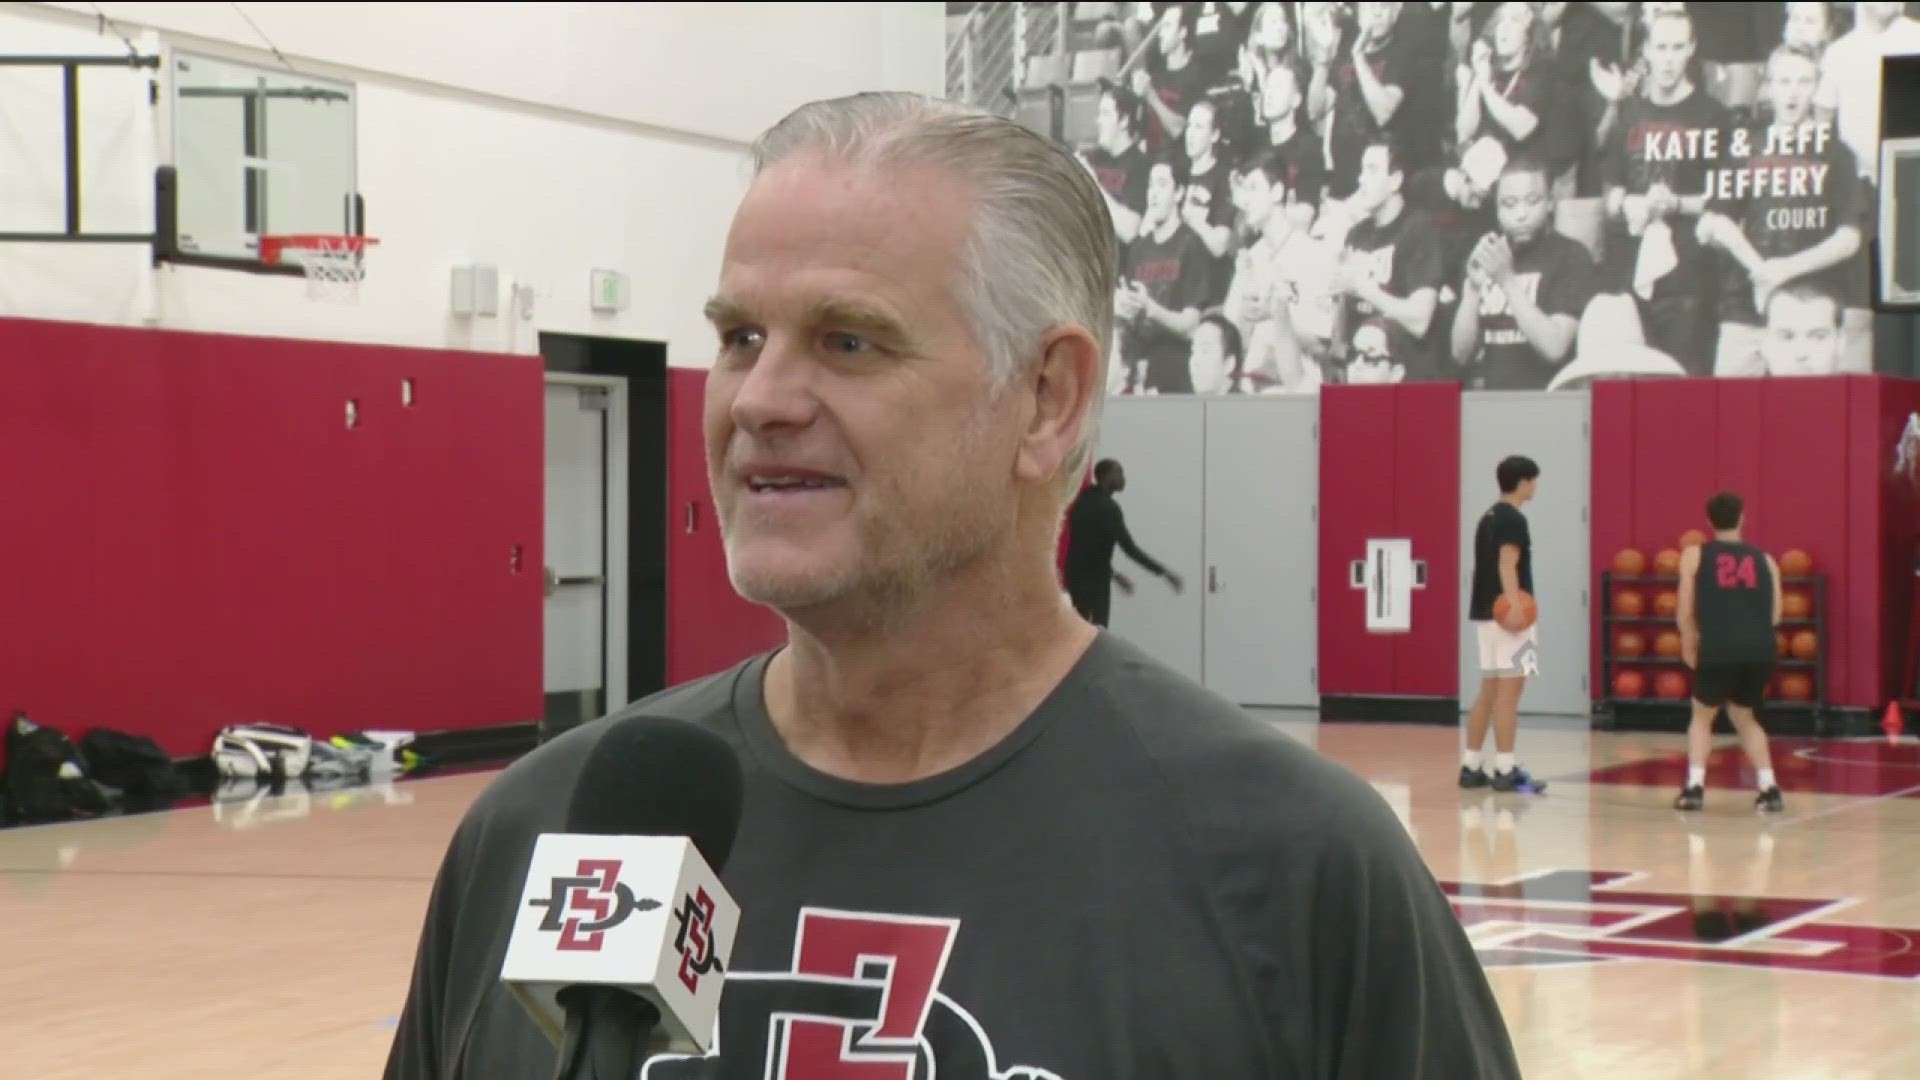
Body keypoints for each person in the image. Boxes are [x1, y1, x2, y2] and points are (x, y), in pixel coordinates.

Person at [383, 91, 1522, 1079]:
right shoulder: (546, 836)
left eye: (849, 343)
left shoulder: (1297, 872)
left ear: (1049, 401)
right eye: (739, 337)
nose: (759, 399)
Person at [1675, 491, 1786, 813]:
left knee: (1701, 717)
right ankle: (1769, 787)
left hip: (1720, 645)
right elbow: (1776, 615)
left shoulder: (1695, 555)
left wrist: (1688, 643)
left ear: (1708, 521)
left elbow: (1685, 608)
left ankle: (1694, 787)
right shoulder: (1765, 559)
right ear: (1742, 517)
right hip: (1761, 648)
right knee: (1745, 716)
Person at [1461, 455, 1547, 795]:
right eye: (1534, 480)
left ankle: (1470, 765)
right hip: (1508, 617)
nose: (1536, 487)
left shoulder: (1488, 516)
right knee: (1510, 695)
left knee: (1489, 691)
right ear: (1524, 482)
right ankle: (1506, 769)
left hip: (1485, 614)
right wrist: (1514, 606)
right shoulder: (1513, 518)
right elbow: (1507, 564)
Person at [1063, 458, 1185, 627]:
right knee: (1096, 634)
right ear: (1106, 477)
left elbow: (1086, 547)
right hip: (1094, 583)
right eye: (1118, 473)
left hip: (1075, 577)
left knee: (1079, 631)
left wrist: (1113, 574)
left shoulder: (1083, 501)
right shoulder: (1108, 508)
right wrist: (1164, 573)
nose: (1123, 478)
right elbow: (1130, 549)